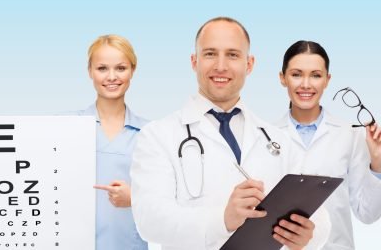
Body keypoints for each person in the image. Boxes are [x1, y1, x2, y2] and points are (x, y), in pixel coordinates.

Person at [130, 17, 330, 250]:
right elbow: (150, 222)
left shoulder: (278, 139)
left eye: (233, 55)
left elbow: (321, 217)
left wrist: (308, 236)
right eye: (210, 54)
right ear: (194, 62)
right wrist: (223, 220)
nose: (221, 66)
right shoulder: (157, 136)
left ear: (249, 63)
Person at [276, 40, 381, 249]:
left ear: (327, 80)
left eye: (316, 75)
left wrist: (378, 164)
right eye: (296, 74)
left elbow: (368, 214)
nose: (306, 84)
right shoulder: (265, 136)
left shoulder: (350, 135)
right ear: (283, 78)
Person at [76, 34, 148, 249]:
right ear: (90, 71)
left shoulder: (150, 134)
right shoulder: (67, 128)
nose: (111, 76)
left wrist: (135, 198)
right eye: (102, 68)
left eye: (121, 68)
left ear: (132, 71)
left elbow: (169, 198)